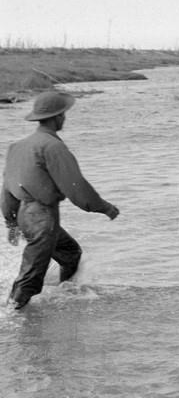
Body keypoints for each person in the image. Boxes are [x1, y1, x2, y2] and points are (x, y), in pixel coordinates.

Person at [2, 91, 120, 311]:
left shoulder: (17, 147)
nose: (64, 118)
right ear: (57, 117)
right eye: (63, 114)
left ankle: (65, 294)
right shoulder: (53, 147)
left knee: (70, 254)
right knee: (30, 275)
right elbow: (75, 186)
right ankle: (12, 317)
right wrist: (104, 208)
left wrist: (11, 221)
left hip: (25, 213)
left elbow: (7, 187)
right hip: (42, 217)